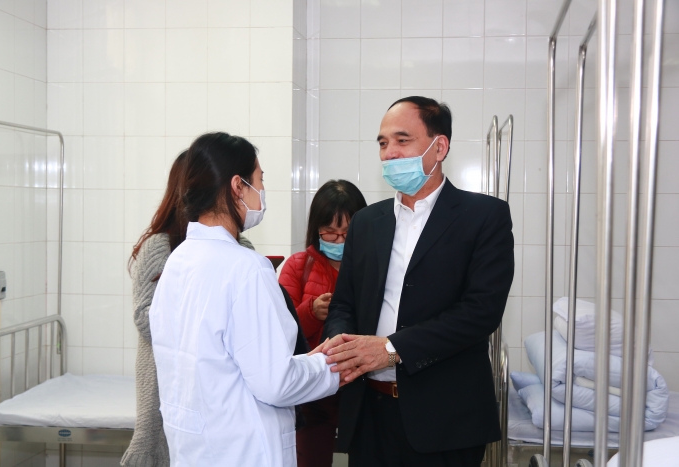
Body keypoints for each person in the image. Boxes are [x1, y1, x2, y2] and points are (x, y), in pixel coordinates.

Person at [318, 97, 515, 467]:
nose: (389, 152)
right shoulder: (367, 222)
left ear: (439, 147)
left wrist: (392, 349)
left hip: (445, 420)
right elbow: (344, 303)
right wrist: (342, 344)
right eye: (382, 143)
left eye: (402, 140)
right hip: (369, 415)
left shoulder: (483, 217)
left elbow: (481, 312)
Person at [149, 132, 340, 467]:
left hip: (195, 449)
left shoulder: (178, 261)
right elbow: (275, 383)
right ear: (238, 186)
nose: (262, 191)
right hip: (244, 451)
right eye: (260, 180)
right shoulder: (246, 268)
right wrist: (332, 365)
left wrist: (307, 362)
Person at [121, 150, 255, 467]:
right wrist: (209, 327)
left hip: (222, 387)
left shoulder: (242, 249)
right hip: (165, 383)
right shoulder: (159, 246)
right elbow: (145, 317)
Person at [279, 180, 367, 467]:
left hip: (361, 384)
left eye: (347, 233)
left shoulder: (372, 267)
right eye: (330, 232)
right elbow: (281, 334)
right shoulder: (298, 265)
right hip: (313, 390)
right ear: (316, 229)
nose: (339, 241)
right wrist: (310, 312)